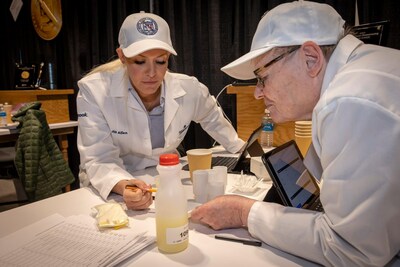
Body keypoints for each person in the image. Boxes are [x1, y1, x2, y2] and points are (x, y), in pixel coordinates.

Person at [191, 1, 400, 266]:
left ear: (310, 58)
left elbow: (353, 252)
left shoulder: (349, 100)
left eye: (262, 77)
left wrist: (244, 212)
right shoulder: (364, 71)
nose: (257, 92)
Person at [76, 12, 245, 210]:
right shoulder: (94, 91)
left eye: (161, 61)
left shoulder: (188, 88)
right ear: (122, 56)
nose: (152, 73)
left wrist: (239, 148)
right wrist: (124, 186)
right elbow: (99, 158)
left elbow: (212, 117)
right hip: (113, 186)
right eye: (140, 62)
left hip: (164, 180)